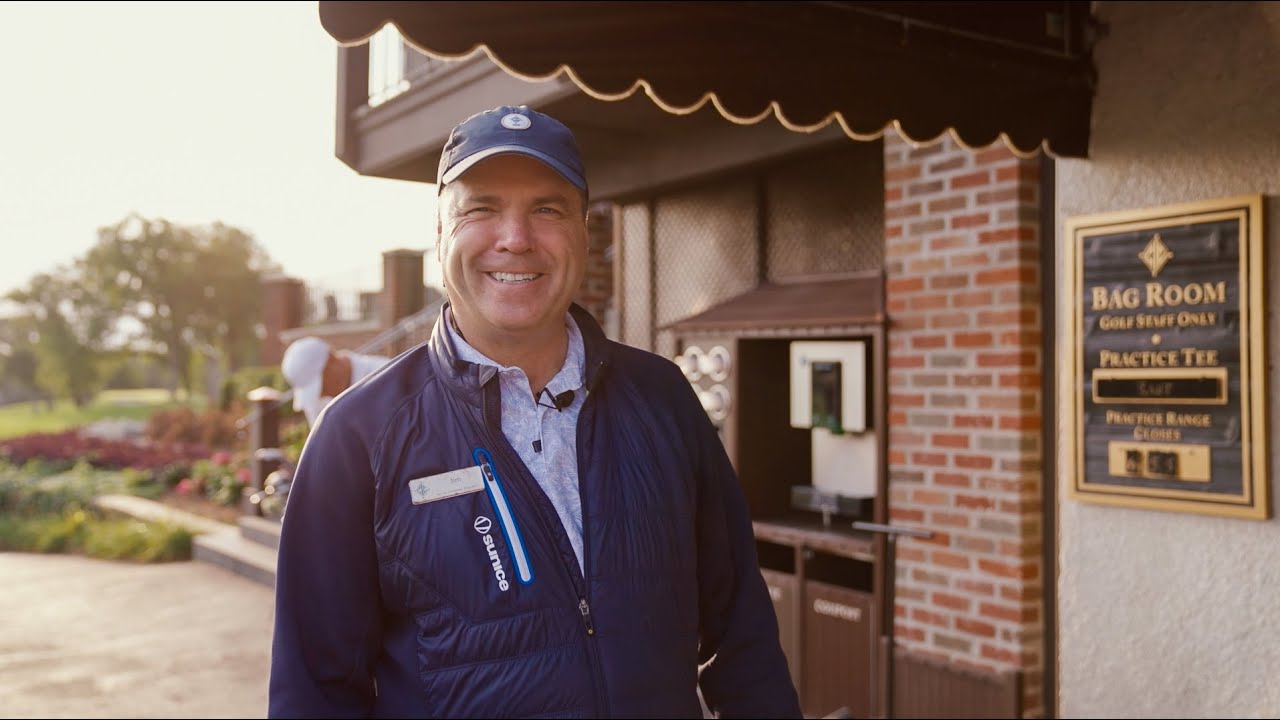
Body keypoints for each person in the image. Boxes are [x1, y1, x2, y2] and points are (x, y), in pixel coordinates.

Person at [268, 105, 802, 718]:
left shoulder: (664, 398)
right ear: (440, 235)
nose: (515, 238)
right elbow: (315, 692)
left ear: (582, 231)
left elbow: (743, 638)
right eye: (481, 208)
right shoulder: (357, 435)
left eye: (547, 209)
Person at [279, 336, 390, 425]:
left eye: (320, 387)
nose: (320, 396)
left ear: (331, 360)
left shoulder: (387, 376)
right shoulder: (315, 402)